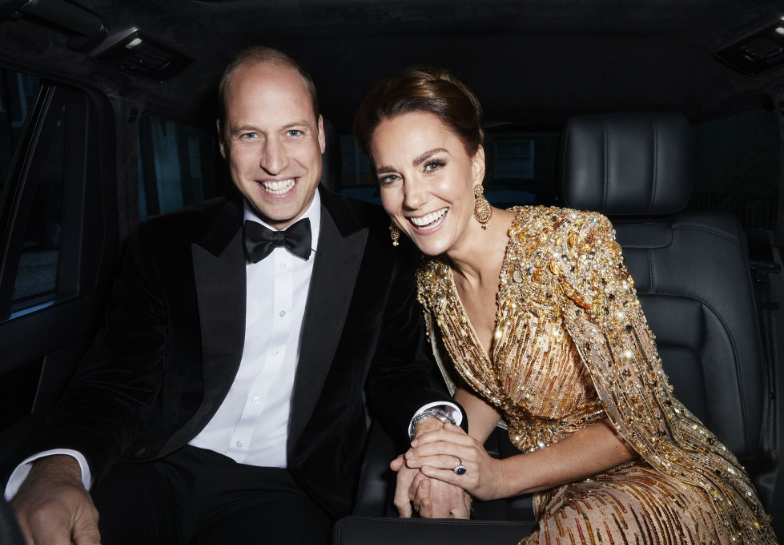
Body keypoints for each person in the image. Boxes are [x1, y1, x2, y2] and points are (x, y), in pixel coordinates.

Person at [5, 48, 470, 545]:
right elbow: (117, 380)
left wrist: (435, 437)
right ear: (224, 145)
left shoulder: (386, 246)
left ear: (318, 135)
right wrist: (57, 468)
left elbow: (400, 371)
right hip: (156, 464)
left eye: (292, 132)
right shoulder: (163, 244)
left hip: (290, 488)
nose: (274, 163)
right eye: (250, 135)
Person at [353, 66, 780, 544]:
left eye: (432, 164)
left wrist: (497, 478)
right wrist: (436, 458)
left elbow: (643, 422)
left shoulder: (571, 244)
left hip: (655, 473)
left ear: (476, 164)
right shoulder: (428, 276)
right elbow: (491, 387)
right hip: (554, 487)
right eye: (392, 176)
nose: (412, 197)